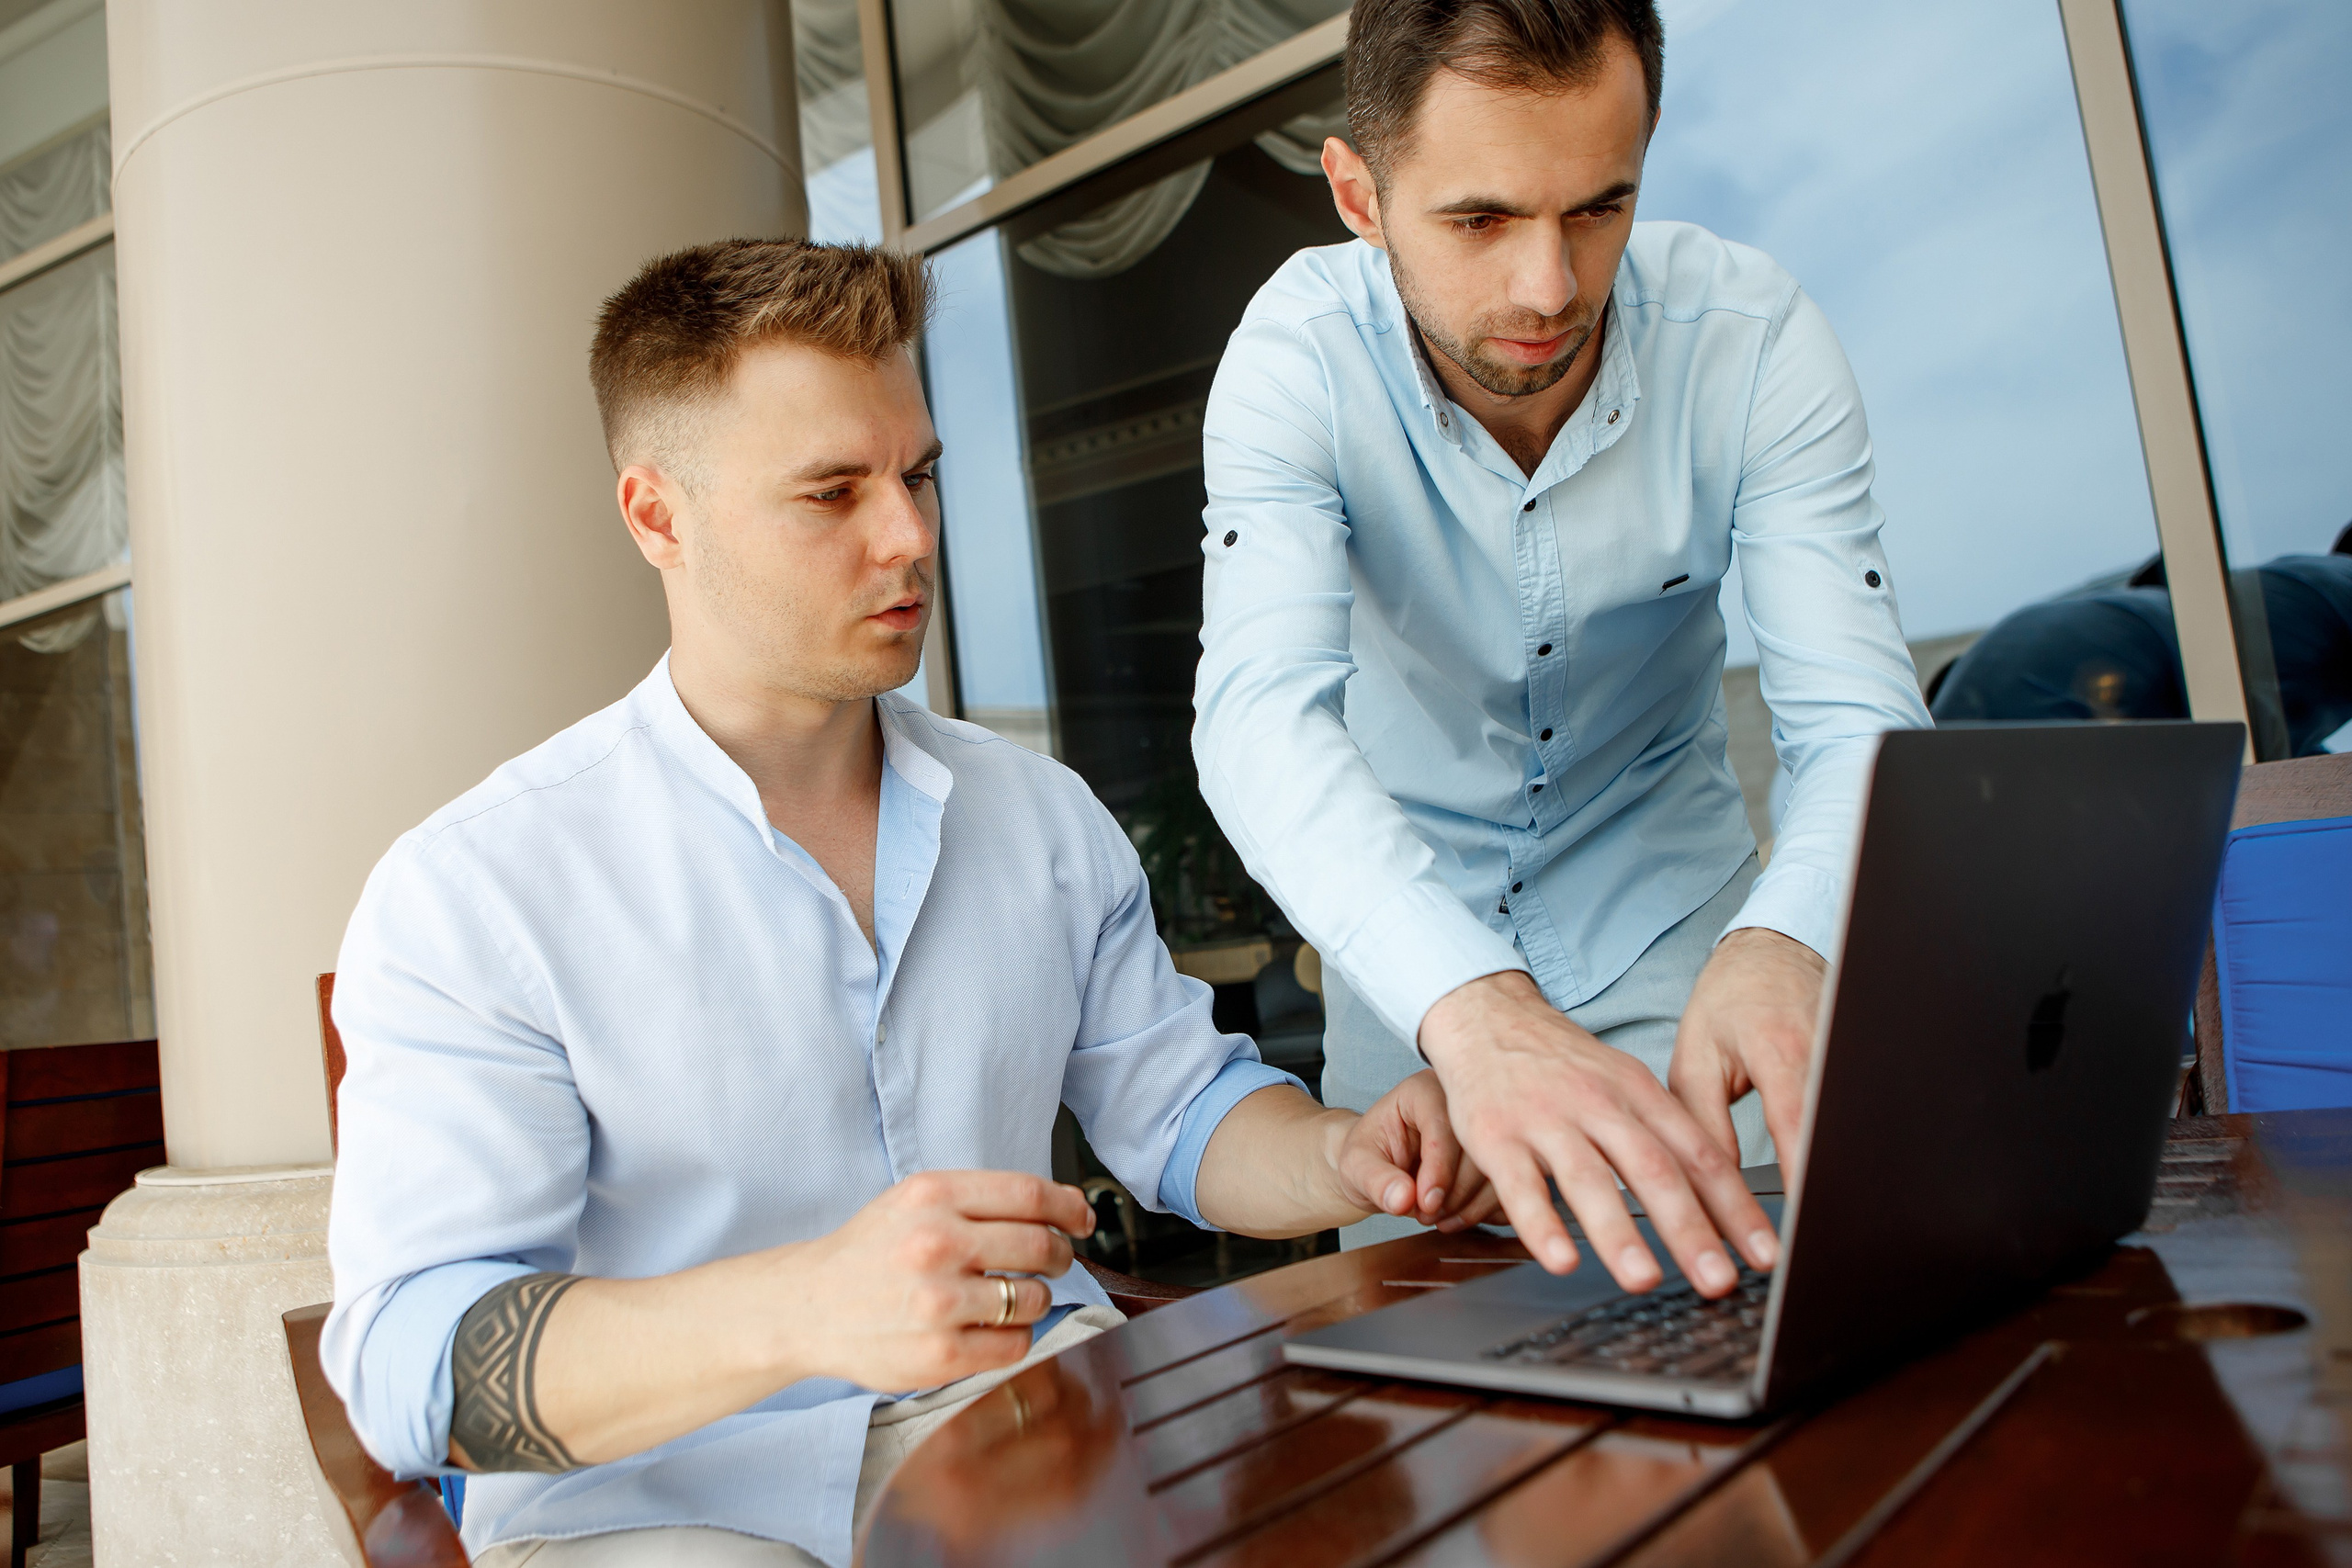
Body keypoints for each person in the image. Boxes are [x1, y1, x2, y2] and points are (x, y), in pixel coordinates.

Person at [322, 240, 1492, 1568]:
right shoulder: (476, 890)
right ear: (658, 518)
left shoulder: (1037, 816)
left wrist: (1344, 1156)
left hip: (1032, 1441)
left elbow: (1179, 1113)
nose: (911, 539)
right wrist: (807, 1308)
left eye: (919, 476)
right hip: (673, 1510)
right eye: (832, 493)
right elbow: (412, 1367)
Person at [1193, 0, 1932, 1294]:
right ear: (1360, 197)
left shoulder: (1755, 340)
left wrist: (1791, 939)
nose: (1550, 288)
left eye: (1598, 208)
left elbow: (1855, 716)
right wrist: (1473, 1006)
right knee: (1443, 1387)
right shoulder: (1295, 362)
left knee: (1776, 1336)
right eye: (1480, 221)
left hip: (1696, 950)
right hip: (1420, 989)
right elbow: (1259, 726)